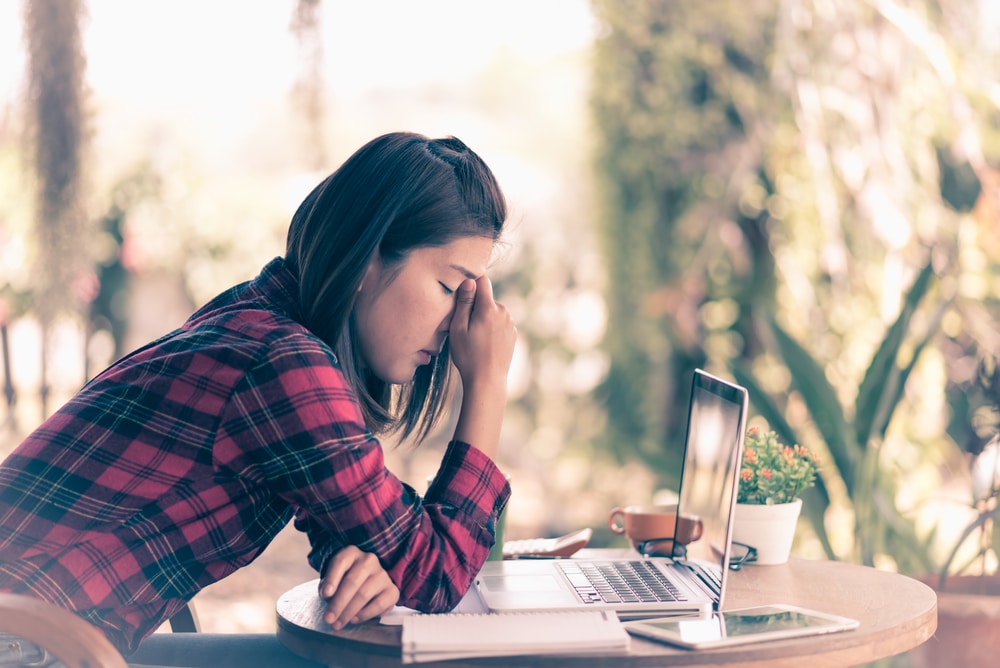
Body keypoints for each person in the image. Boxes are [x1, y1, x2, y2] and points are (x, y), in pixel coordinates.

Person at [0, 132, 516, 667]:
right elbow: (436, 574)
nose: (461, 322)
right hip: (27, 645)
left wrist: (372, 559)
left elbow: (357, 527)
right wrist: (488, 384)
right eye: (451, 288)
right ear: (368, 258)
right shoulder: (284, 364)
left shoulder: (262, 320)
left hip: (56, 636)